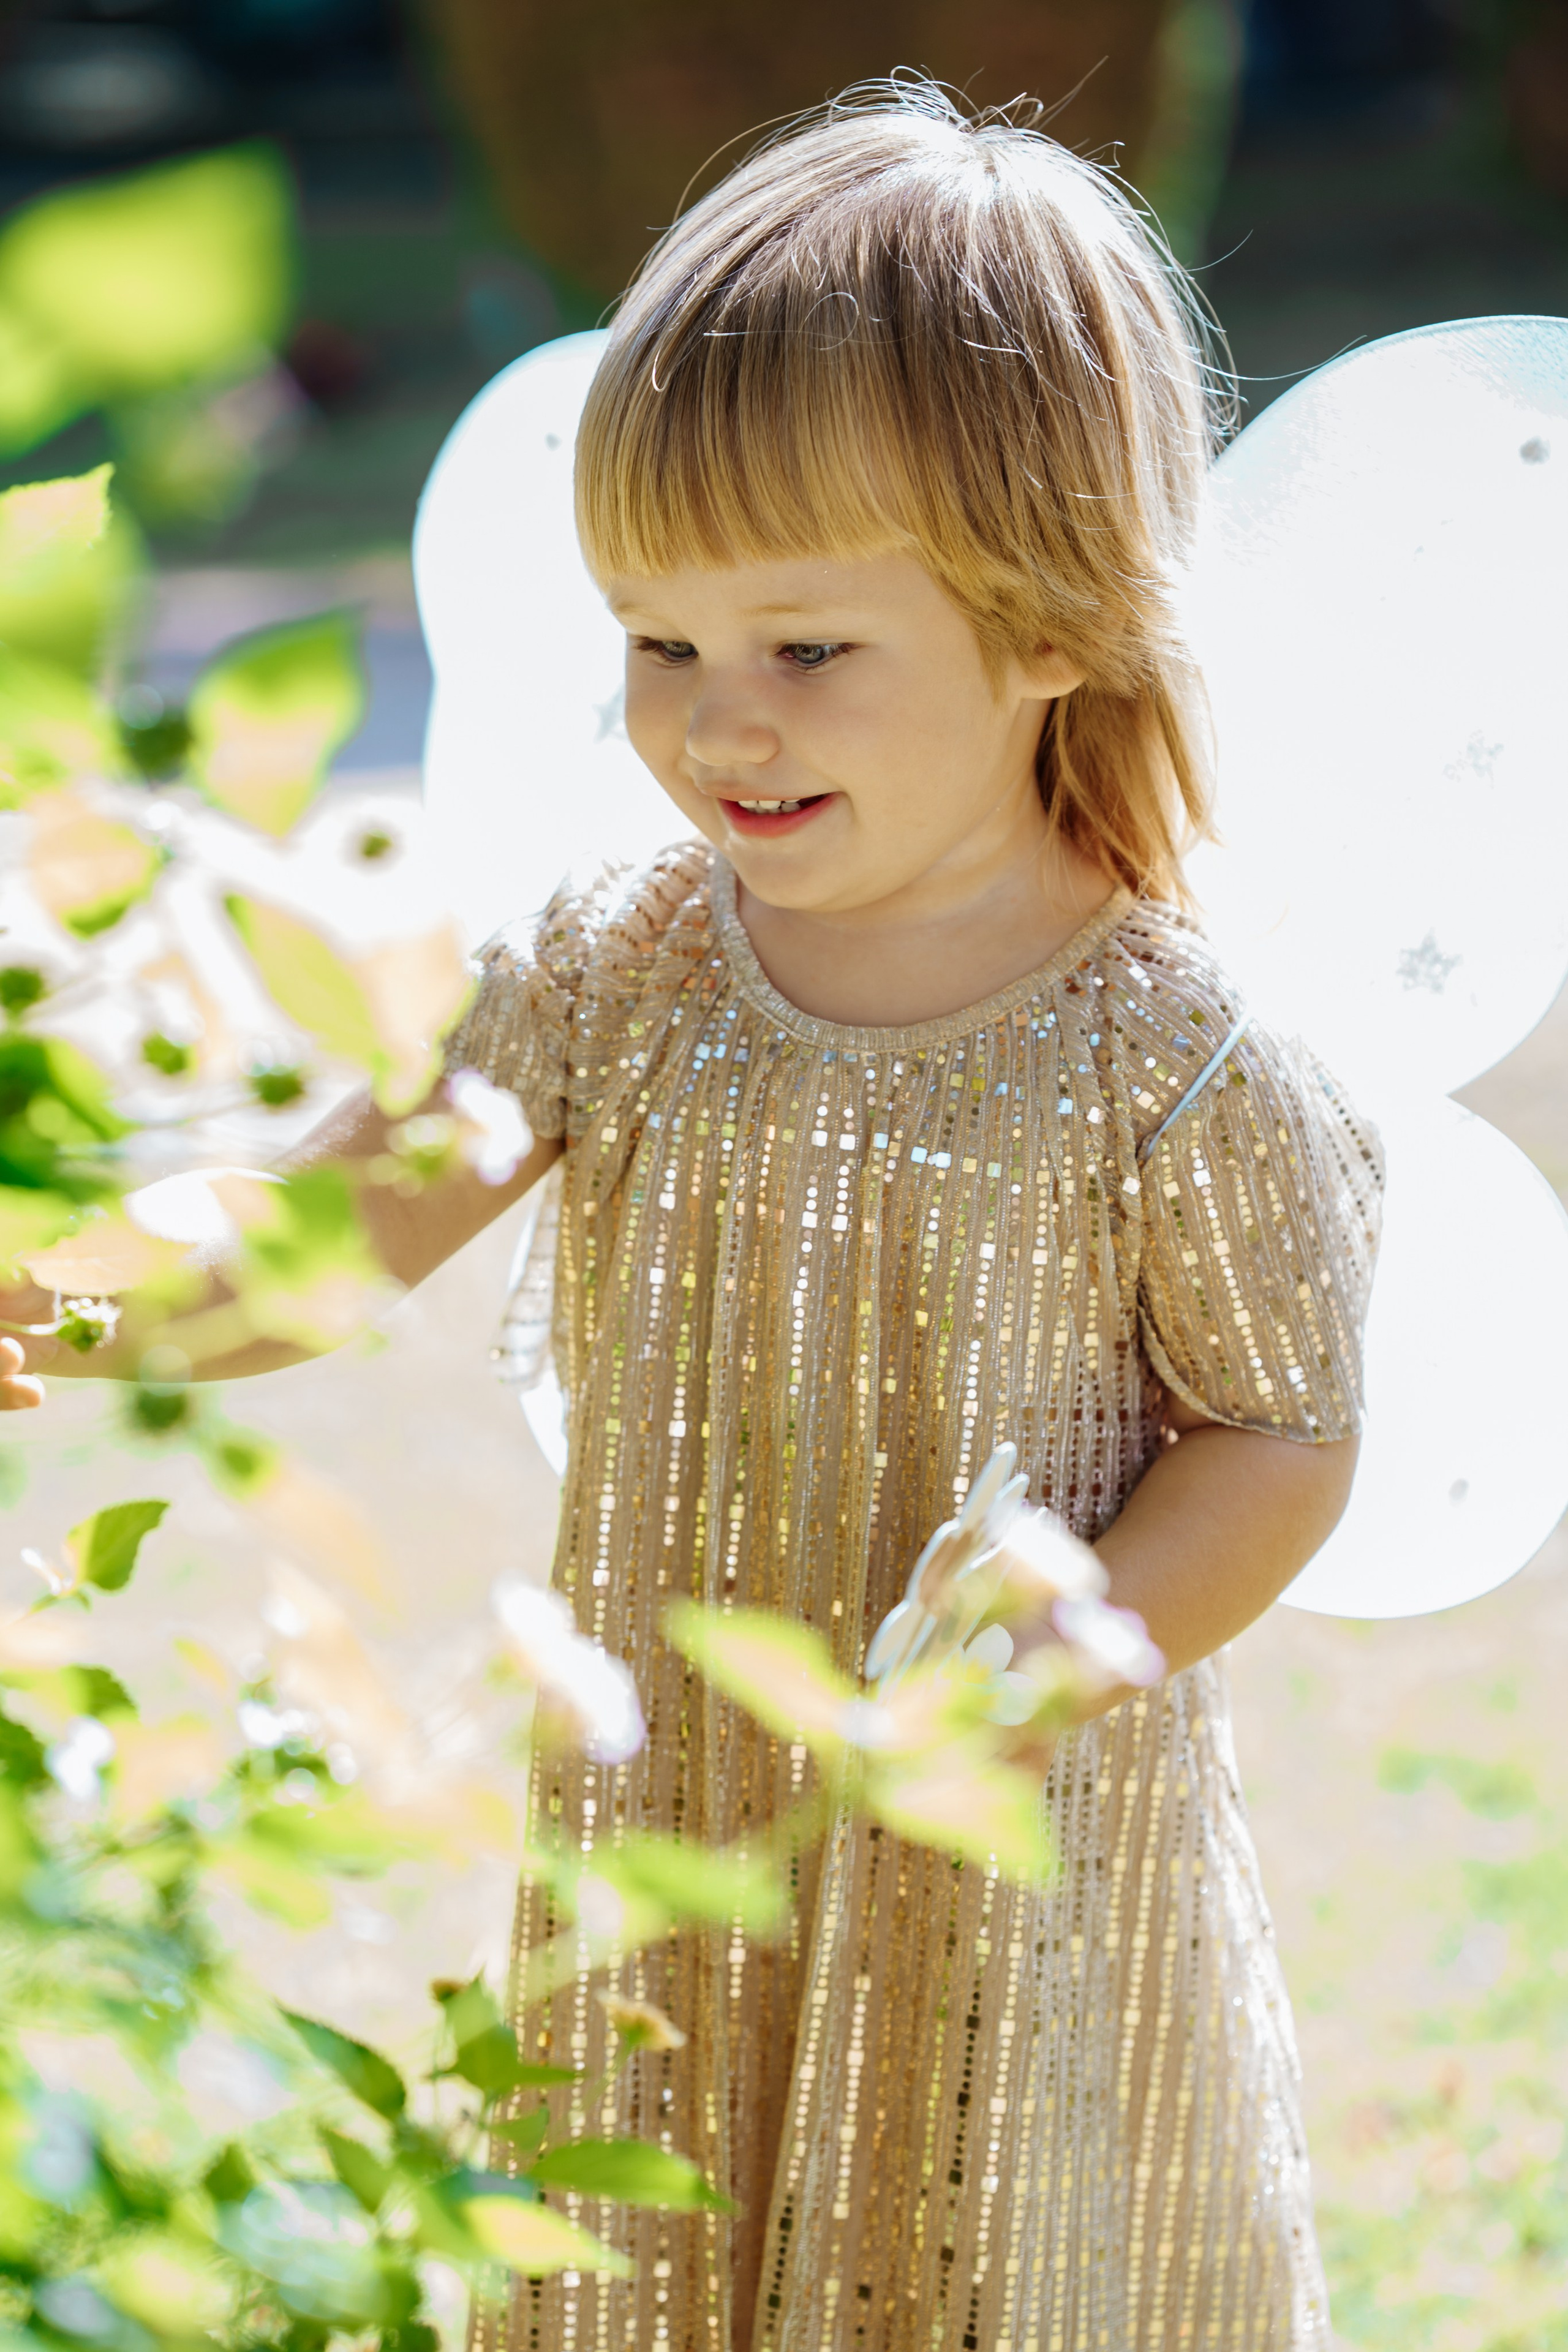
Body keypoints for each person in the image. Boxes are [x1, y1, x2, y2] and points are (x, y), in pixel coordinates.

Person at [0, 85, 1383, 2352]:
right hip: (680, 1798)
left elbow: (1282, 1433)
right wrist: (58, 1272)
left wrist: (1083, 1636)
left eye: (806, 651)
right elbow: (327, 1223)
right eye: (659, 644)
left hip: (997, 1859)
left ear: (1051, 620)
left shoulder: (1177, 1050)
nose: (715, 728)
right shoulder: (620, 966)